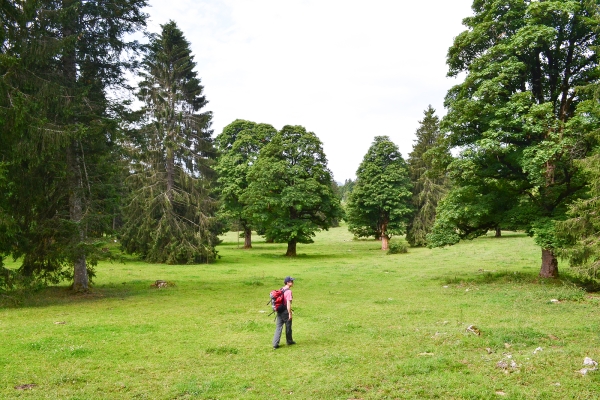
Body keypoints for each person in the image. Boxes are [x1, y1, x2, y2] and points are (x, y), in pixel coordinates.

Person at [273, 276, 296, 349]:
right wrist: (290, 313)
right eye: (291, 281)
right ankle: (289, 341)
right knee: (288, 327)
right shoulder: (289, 291)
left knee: (278, 327)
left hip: (279, 310)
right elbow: (288, 303)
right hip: (285, 311)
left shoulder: (281, 289)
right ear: (288, 282)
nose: (293, 282)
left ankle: (275, 344)